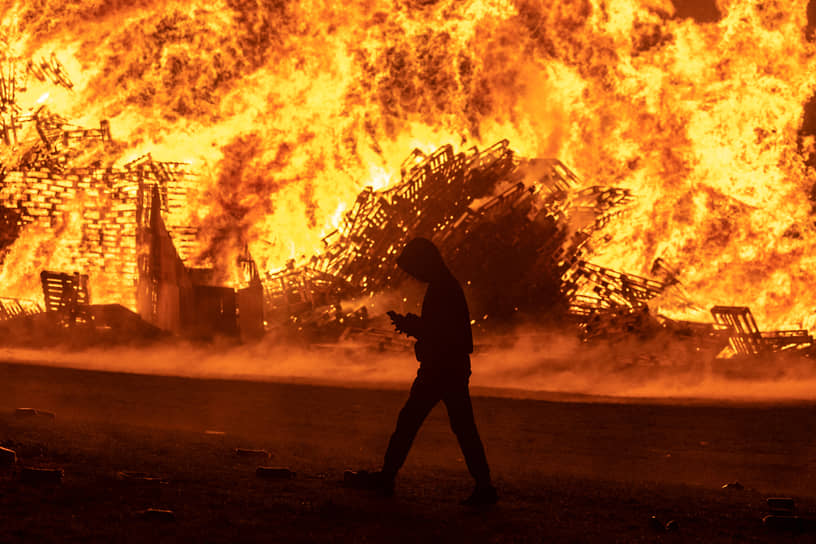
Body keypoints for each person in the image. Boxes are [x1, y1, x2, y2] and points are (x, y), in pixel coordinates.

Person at [372, 237, 497, 506]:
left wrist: (414, 327)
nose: (414, 276)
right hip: (447, 368)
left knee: (411, 423)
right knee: (459, 428)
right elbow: (442, 329)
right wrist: (415, 326)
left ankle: (386, 478)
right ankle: (484, 486)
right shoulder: (444, 286)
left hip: (442, 369)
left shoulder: (443, 289)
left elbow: (446, 334)